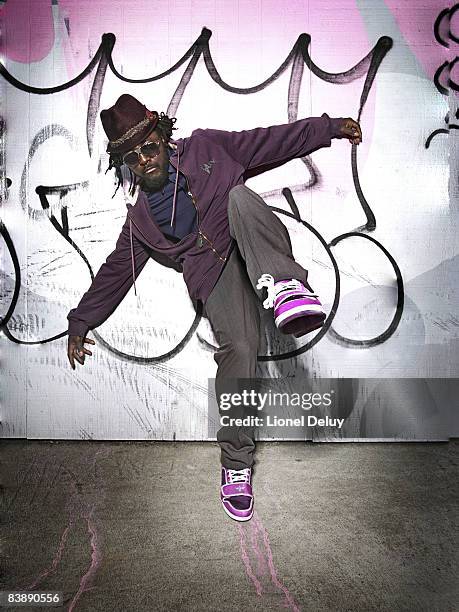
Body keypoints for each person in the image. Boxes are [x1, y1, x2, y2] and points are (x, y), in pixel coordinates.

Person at [67, 94, 362, 521]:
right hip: (217, 274)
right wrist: (81, 321)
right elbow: (116, 273)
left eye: (149, 147)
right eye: (133, 158)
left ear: (164, 139)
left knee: (239, 196)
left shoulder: (208, 148)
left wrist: (329, 127)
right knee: (240, 348)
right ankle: (236, 466)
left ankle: (284, 287)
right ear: (126, 164)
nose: (145, 161)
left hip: (252, 238)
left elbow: (269, 142)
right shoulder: (142, 222)